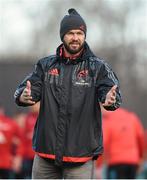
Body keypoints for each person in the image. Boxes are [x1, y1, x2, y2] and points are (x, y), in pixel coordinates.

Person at [14, 8, 122, 179]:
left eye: (79, 33)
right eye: (70, 33)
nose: (75, 37)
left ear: (84, 35)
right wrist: (23, 97)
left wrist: (111, 100)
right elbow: (25, 91)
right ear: (62, 36)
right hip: (45, 155)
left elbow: (112, 94)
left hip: (81, 157)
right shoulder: (45, 65)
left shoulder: (98, 67)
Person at [102, 107, 144, 179]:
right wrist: (140, 159)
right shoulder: (132, 117)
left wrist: (99, 163)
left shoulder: (107, 120)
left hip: (115, 163)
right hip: (132, 162)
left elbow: (103, 143)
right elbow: (141, 139)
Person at [0, 104, 23, 179]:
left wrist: (18, 157)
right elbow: (21, 141)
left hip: (7, 162)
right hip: (7, 162)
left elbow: (20, 141)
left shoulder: (11, 123)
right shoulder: (11, 123)